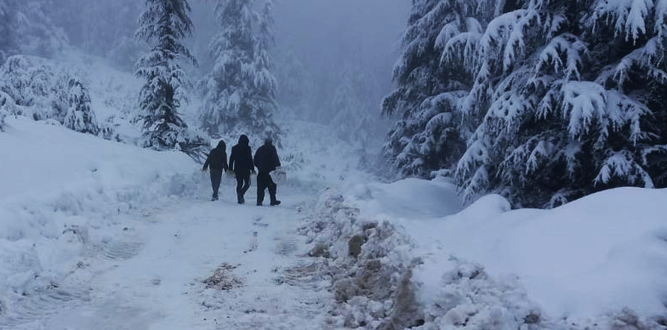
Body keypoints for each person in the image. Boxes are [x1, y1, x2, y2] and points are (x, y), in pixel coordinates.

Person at [254, 137, 281, 206]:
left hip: (261, 172)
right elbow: (275, 159)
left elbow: (255, 160)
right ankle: (273, 200)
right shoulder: (272, 149)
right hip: (270, 172)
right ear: (271, 142)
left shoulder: (260, 149)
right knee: (272, 187)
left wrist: (259, 167)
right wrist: (277, 166)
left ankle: (259, 201)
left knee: (260, 188)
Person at [229, 134, 254, 204]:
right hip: (246, 169)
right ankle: (241, 194)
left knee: (239, 183)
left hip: (237, 169)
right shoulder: (248, 148)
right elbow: (250, 159)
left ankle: (239, 196)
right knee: (247, 183)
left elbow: (231, 159)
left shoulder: (234, 148)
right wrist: (252, 169)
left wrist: (230, 168)